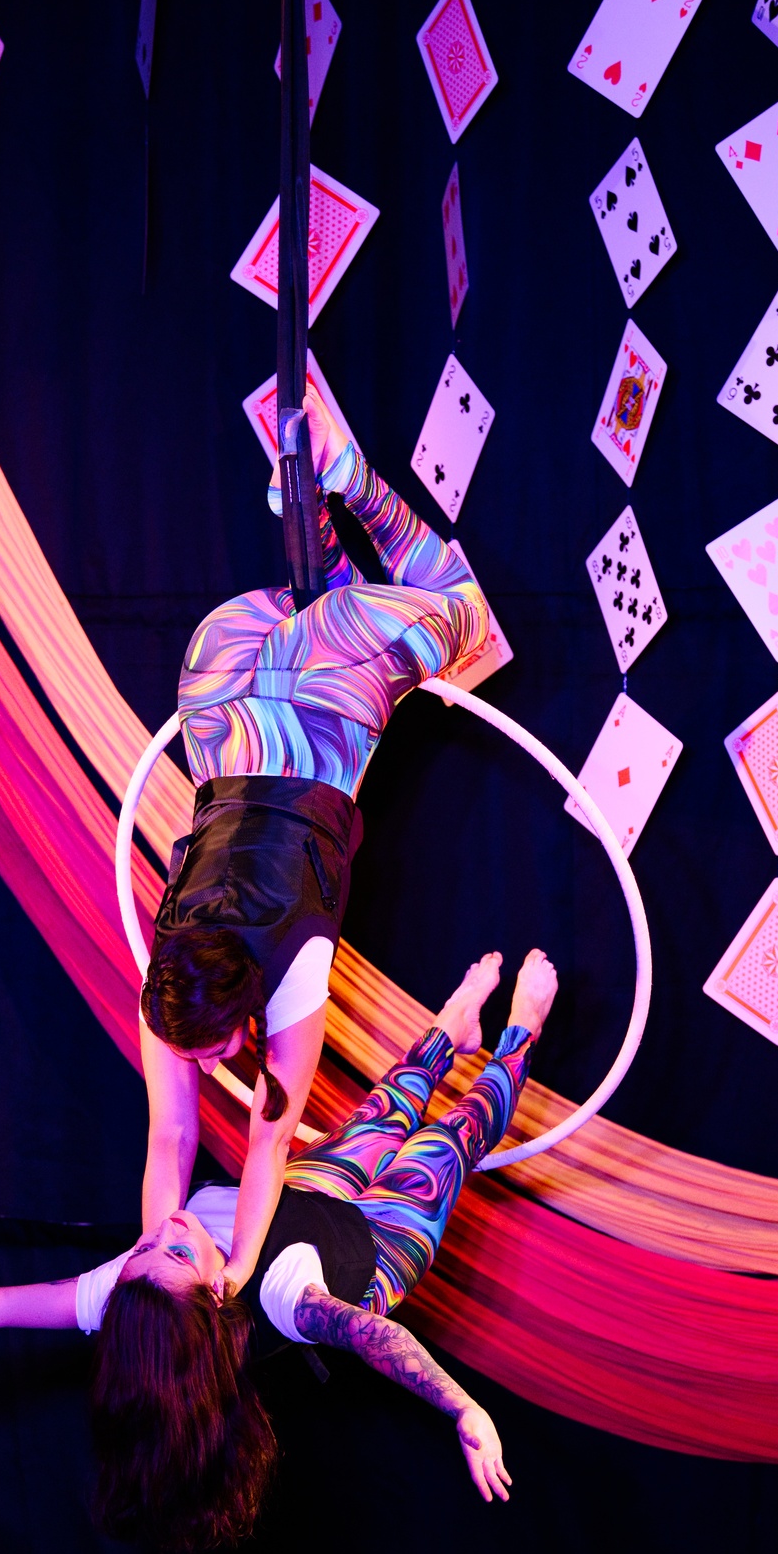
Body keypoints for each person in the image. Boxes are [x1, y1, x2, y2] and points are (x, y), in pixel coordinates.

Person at [0, 952, 558, 1554]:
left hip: (304, 1198)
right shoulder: (277, 1299)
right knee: (452, 1138)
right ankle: (522, 1029)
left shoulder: (133, 1294)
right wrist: (462, 1409)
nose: (165, 1229)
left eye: (143, 1251)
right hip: (375, 1247)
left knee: (382, 1113)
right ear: (214, 1292)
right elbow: (375, 1338)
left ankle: (453, 1026)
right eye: (174, 1251)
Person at [139, 387, 491, 1297]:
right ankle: (306, 510)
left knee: (463, 612)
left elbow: (267, 1142)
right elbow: (170, 1139)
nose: (205, 1063)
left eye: (210, 1051)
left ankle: (345, 479)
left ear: (238, 1008)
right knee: (336, 605)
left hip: (322, 704)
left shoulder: (290, 967)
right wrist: (159, 1254)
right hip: (216, 672)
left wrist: (234, 1268)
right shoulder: (169, 977)